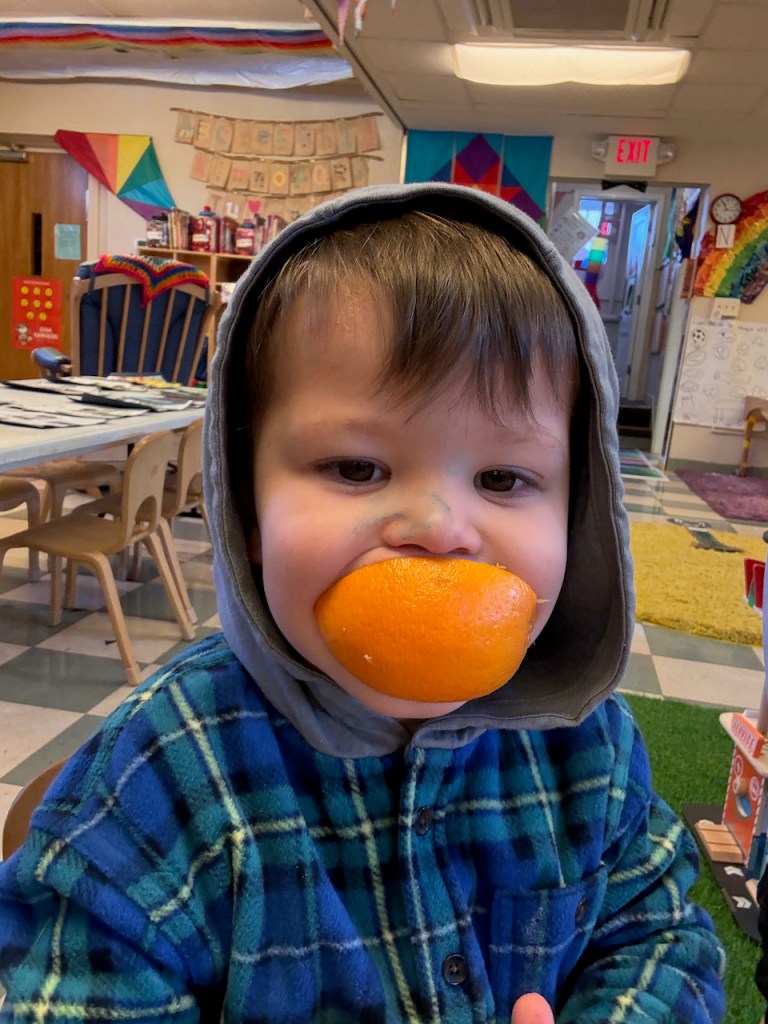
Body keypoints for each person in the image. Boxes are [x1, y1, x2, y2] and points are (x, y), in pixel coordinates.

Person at [0, 183, 725, 1023]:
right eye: (356, 468)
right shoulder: (157, 770)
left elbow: (662, 937)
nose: (437, 528)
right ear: (248, 510)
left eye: (502, 478)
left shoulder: (590, 750)